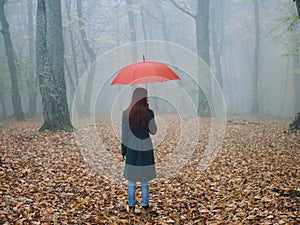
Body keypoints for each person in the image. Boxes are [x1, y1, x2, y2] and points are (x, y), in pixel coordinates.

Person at [121, 88, 157, 214]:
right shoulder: (149, 113)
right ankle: (145, 207)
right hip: (145, 146)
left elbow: (124, 134)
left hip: (131, 146)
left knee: (131, 179)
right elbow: (153, 131)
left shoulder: (126, 113)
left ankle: (131, 207)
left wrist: (124, 151)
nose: (148, 98)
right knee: (144, 178)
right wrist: (149, 116)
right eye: (146, 96)